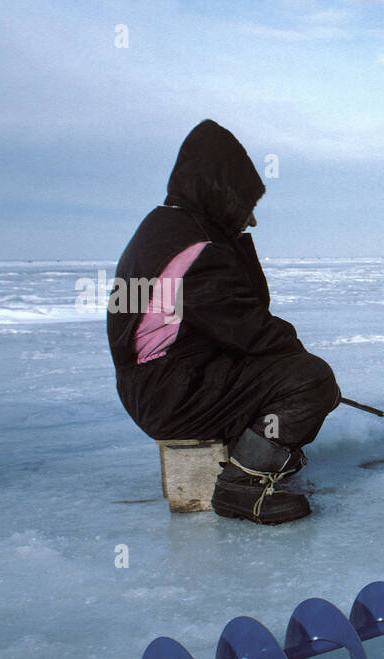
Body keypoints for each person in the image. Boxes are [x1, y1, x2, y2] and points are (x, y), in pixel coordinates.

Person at [107, 119, 339, 524]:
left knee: (276, 373)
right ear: (222, 195)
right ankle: (241, 487)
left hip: (160, 383)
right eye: (247, 206)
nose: (251, 221)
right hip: (172, 392)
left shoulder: (165, 229)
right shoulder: (198, 247)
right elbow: (250, 329)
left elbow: (226, 327)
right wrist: (311, 377)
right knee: (310, 378)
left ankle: (245, 460)